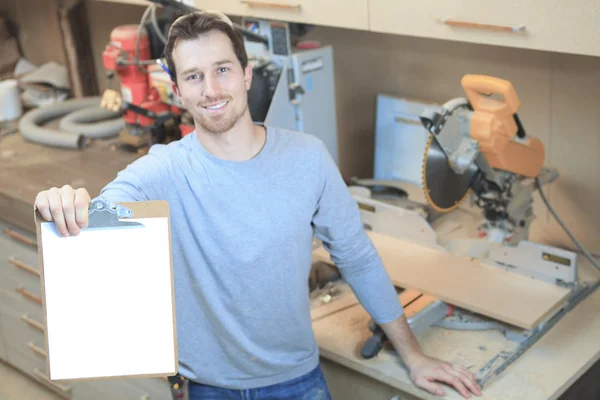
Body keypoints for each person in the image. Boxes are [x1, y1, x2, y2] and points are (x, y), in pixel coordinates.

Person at [34, 10, 481, 400]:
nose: (211, 89)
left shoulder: (307, 158)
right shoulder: (164, 170)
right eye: (193, 76)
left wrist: (415, 356)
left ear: (247, 75)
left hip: (296, 379)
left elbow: (358, 257)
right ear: (176, 89)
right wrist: (64, 204)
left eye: (223, 69)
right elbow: (100, 217)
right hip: (206, 387)